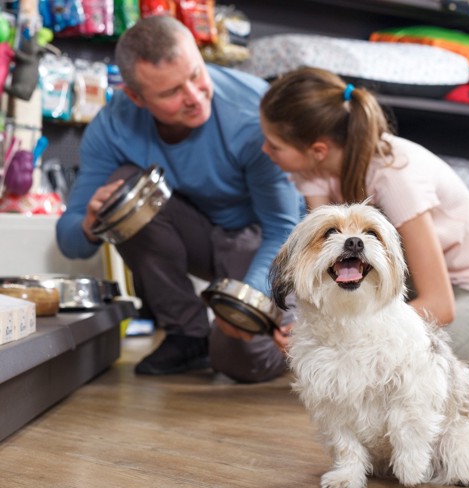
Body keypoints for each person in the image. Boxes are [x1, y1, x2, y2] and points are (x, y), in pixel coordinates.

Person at [56, 16, 302, 383]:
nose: (194, 96)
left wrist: (244, 306)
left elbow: (283, 228)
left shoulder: (252, 113)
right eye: (171, 92)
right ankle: (188, 334)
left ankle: (295, 334)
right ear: (135, 97)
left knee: (239, 361)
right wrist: (92, 224)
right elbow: (69, 239)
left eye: (196, 74)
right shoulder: (112, 126)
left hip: (263, 241)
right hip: (199, 233)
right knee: (122, 191)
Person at [259, 67, 469, 388]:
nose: (264, 151)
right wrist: (307, 326)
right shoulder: (312, 170)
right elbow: (324, 264)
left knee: (402, 376)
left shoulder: (396, 176)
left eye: (273, 145)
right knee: (359, 365)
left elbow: (440, 303)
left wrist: (360, 336)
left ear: (318, 150)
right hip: (411, 285)